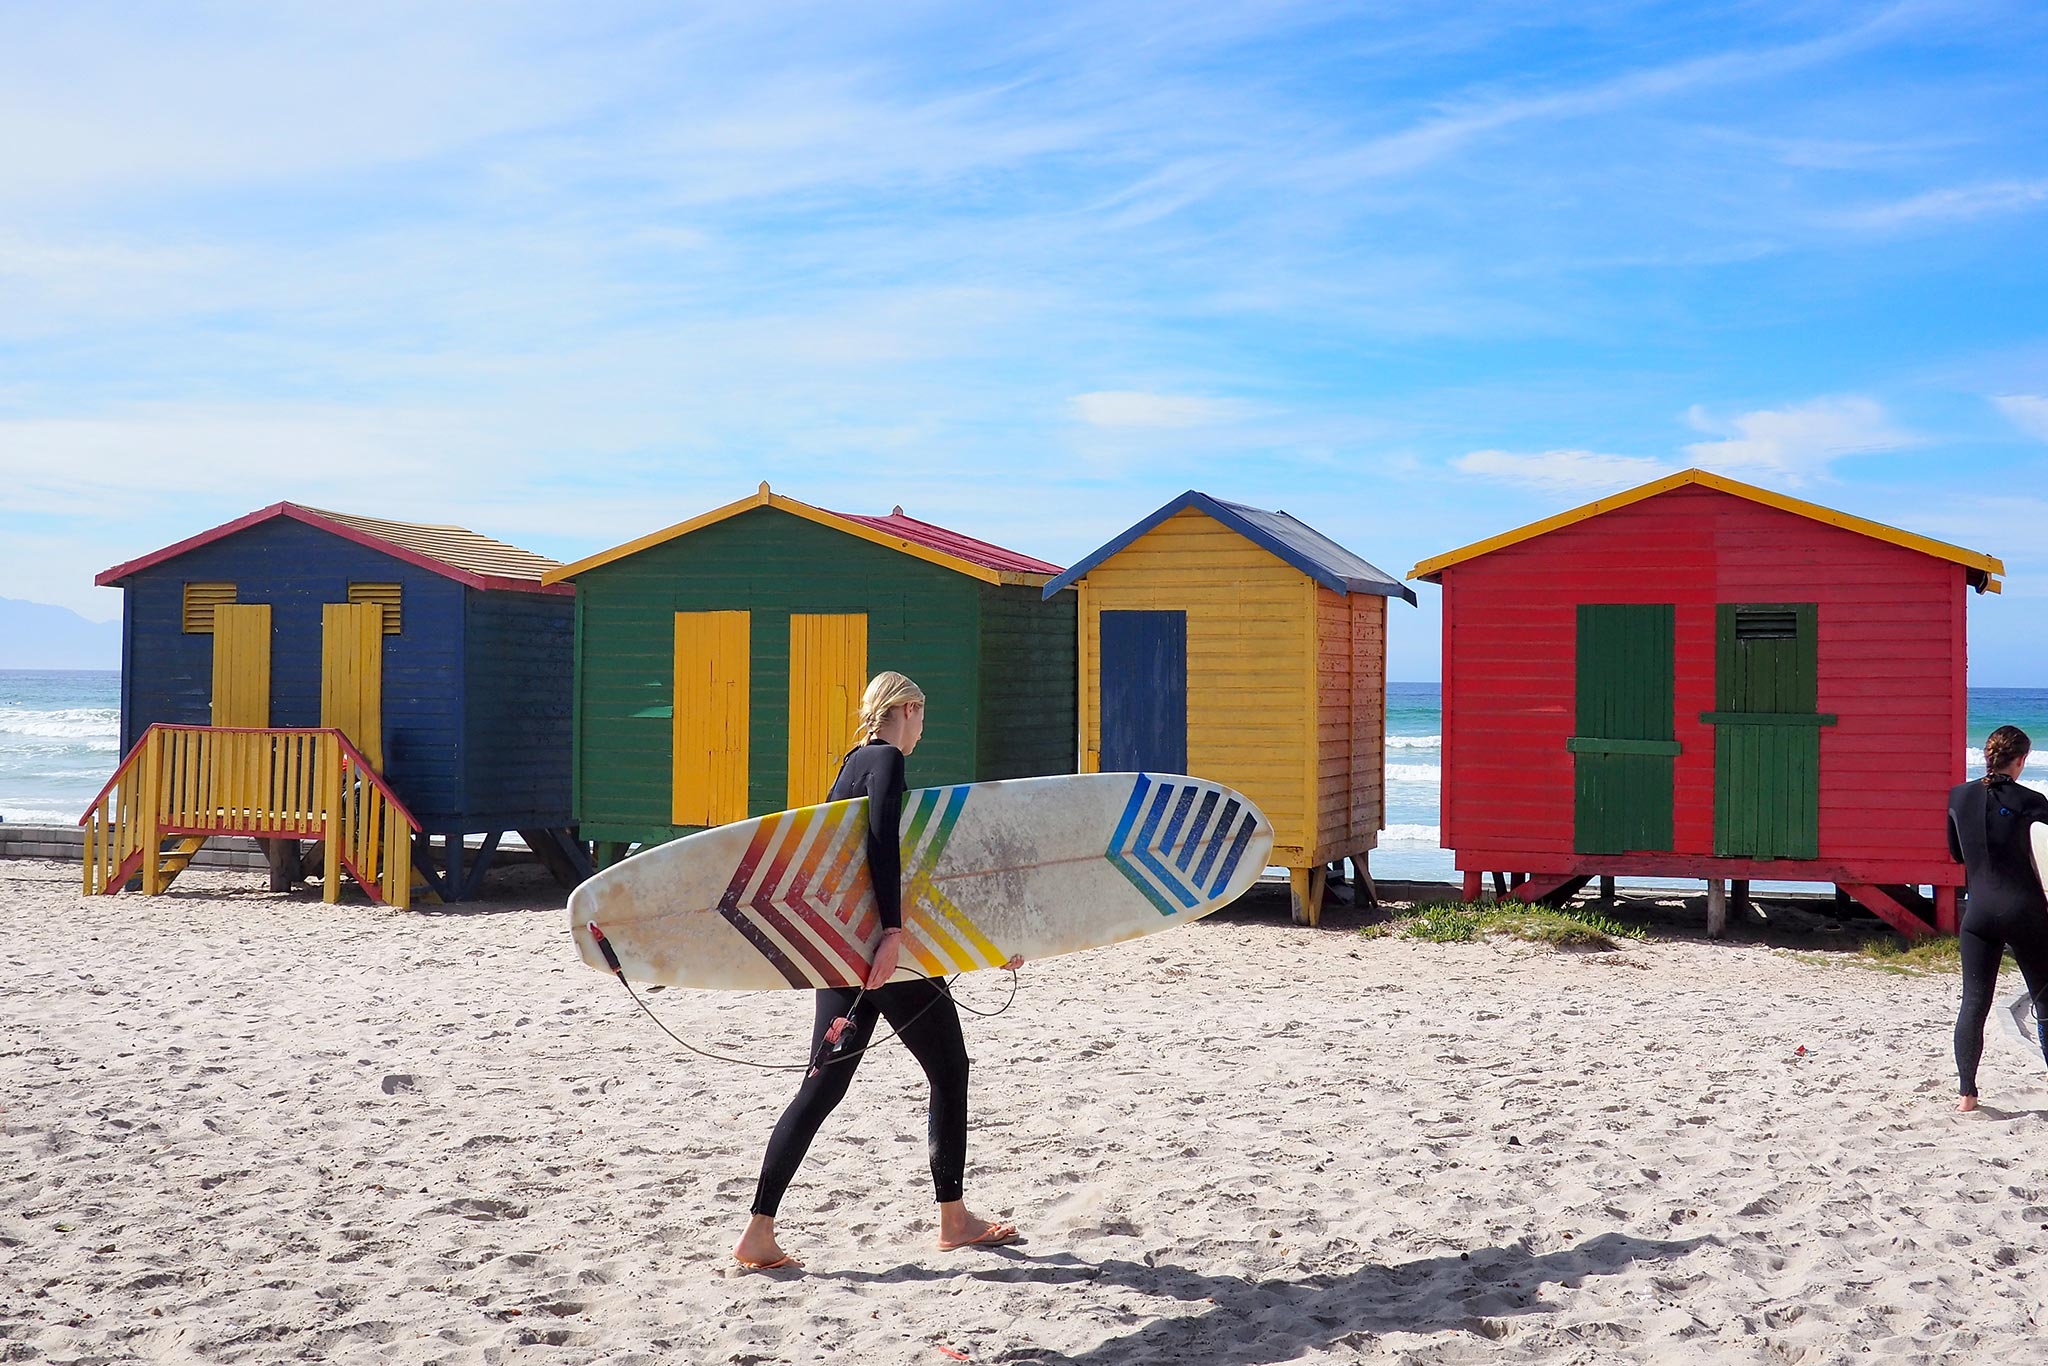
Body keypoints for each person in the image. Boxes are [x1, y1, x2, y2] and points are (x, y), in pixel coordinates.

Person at [732, 671, 1020, 1270]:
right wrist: (891, 935)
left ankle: (759, 1231)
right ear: (908, 709)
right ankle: (954, 1218)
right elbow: (882, 846)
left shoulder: (850, 766)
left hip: (841, 951)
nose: (921, 729)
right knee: (949, 1069)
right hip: (882, 954)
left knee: (822, 1086)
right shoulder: (887, 760)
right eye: (923, 715)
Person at [1948, 724, 2048, 1112]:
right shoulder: (2029, 799)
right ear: (2021, 760)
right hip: (2025, 911)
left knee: (1974, 1002)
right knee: (2045, 998)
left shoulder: (1958, 797)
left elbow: (1957, 854)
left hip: (1979, 915)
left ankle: (1967, 1096)